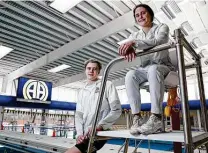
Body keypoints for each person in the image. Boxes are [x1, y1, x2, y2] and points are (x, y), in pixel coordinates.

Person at [119, 4, 175, 135]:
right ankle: (136, 118)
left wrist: (134, 43)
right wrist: (125, 48)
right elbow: (126, 46)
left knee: (153, 69)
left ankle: (156, 117)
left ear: (150, 14)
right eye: (137, 15)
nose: (140, 17)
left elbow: (159, 40)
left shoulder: (162, 27)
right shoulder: (134, 34)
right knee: (130, 75)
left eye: (143, 13)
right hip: (144, 69)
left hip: (163, 67)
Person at [65, 59, 122, 153]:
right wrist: (79, 134)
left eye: (94, 69)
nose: (91, 71)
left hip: (100, 133)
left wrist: (99, 126)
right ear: (85, 70)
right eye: (89, 68)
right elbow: (79, 115)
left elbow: (116, 110)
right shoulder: (81, 91)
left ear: (98, 71)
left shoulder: (107, 85)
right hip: (85, 135)